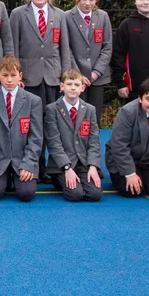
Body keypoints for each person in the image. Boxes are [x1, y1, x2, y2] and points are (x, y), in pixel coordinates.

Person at [10, 0, 72, 179]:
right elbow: (13, 48)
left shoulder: (60, 15)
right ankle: (33, 164)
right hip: (29, 78)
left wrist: (66, 77)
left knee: (51, 123)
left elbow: (65, 48)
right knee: (30, 123)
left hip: (53, 77)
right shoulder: (18, 14)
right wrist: (17, 76)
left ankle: (52, 166)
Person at [0, 56, 43, 202]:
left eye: (13, 75)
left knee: (26, 194)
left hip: (22, 159)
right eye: (5, 75)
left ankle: (16, 176)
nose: (9, 80)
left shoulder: (33, 101)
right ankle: (5, 178)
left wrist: (28, 164)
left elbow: (36, 137)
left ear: (20, 76)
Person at [44, 69, 102, 202]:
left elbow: (94, 141)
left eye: (76, 85)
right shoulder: (52, 109)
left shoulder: (90, 110)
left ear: (82, 88)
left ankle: (82, 178)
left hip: (83, 164)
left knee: (95, 195)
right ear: (62, 86)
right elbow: (54, 143)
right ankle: (61, 180)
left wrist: (93, 166)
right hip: (62, 166)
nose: (73, 88)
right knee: (75, 195)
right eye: (69, 84)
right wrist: (66, 167)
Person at [64, 0, 113, 124]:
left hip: (97, 79)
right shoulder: (66, 17)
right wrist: (77, 74)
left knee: (94, 118)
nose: (87, 3)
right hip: (75, 77)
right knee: (75, 117)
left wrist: (96, 72)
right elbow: (66, 48)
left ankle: (92, 146)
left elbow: (107, 47)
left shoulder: (103, 16)